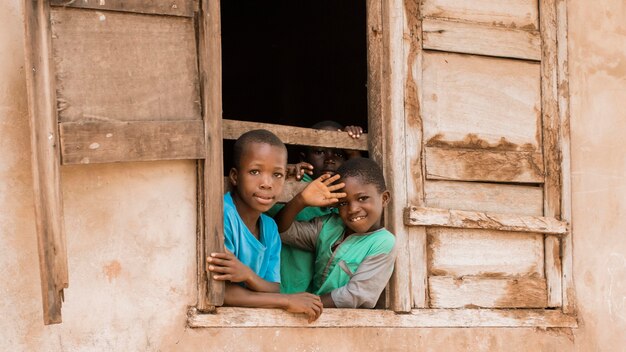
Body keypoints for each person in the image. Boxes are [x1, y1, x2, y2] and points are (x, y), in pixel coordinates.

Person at [207, 129, 338, 322]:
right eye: (255, 172)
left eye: (277, 174)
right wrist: (286, 301)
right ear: (234, 176)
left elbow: (273, 287)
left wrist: (248, 276)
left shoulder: (269, 227)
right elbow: (224, 294)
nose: (267, 183)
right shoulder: (222, 216)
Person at [275, 158, 396, 308]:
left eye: (362, 198)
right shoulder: (329, 226)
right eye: (343, 203)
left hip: (345, 324)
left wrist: (308, 303)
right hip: (311, 314)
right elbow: (281, 232)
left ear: (384, 198)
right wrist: (301, 201)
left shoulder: (383, 241)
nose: (352, 209)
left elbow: (354, 295)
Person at [267, 120, 364, 294]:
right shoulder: (292, 184)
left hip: (317, 297)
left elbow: (362, 185)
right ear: (304, 158)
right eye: (319, 152)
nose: (330, 160)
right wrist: (284, 175)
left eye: (339, 154)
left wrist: (354, 152)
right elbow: (274, 225)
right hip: (285, 289)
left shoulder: (345, 196)